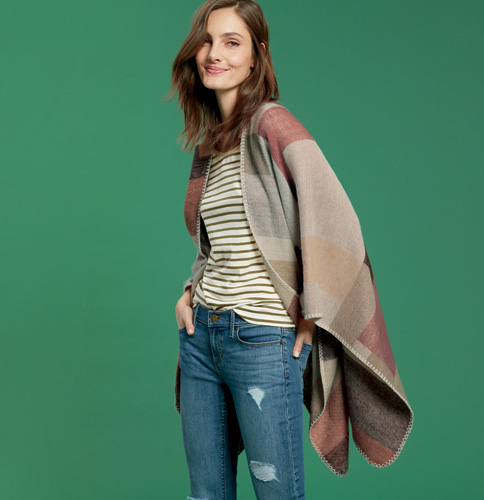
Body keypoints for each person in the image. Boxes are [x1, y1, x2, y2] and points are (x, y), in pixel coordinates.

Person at [169, 1, 413, 499]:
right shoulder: (210, 146)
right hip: (201, 338)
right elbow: (220, 243)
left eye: (232, 42)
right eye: (207, 41)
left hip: (260, 340)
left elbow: (335, 219)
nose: (215, 53)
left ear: (255, 56)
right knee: (204, 494)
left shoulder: (272, 124)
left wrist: (312, 313)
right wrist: (189, 291)